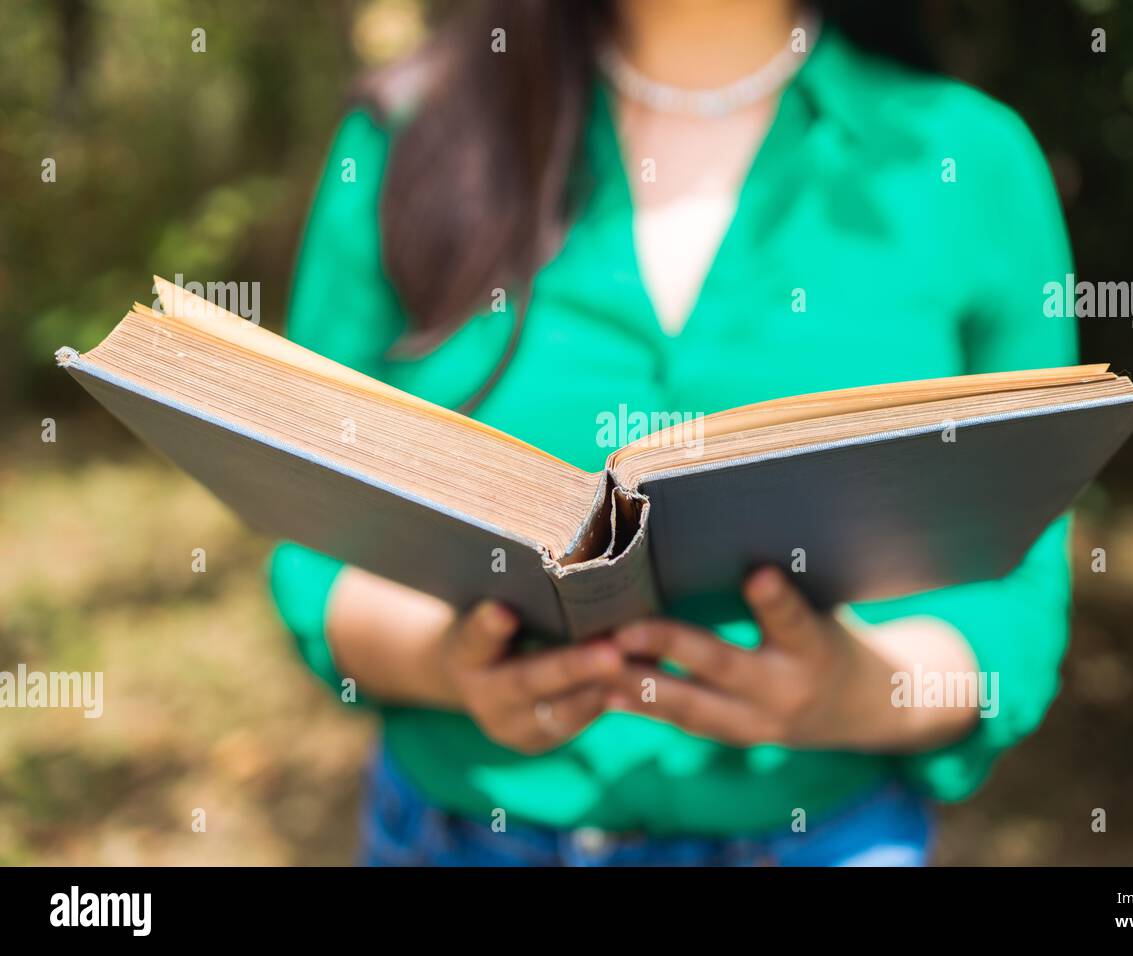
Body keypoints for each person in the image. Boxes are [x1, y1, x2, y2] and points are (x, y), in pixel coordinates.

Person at [269, 0, 1077, 866]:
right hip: (456, 832)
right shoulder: (404, 139)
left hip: (819, 835)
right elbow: (312, 540)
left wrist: (854, 692)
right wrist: (443, 662)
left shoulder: (969, 162)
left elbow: (1017, 595)